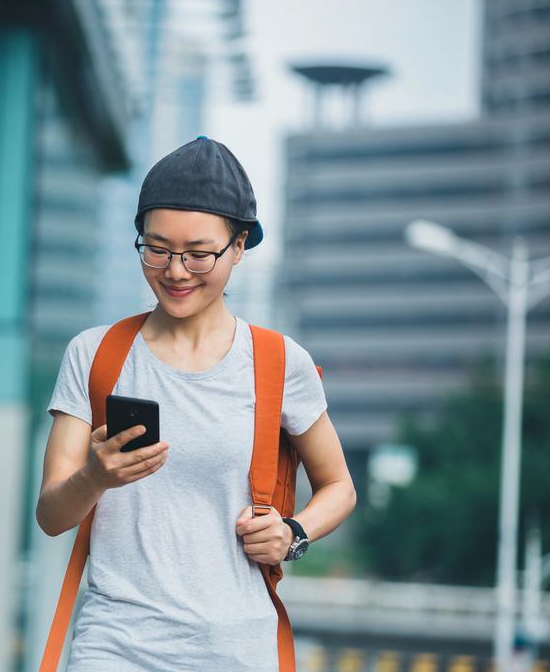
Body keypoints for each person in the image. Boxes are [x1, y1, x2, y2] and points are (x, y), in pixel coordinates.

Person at [36, 136, 357, 671]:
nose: (175, 271)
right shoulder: (96, 354)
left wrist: (293, 534)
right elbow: (51, 515)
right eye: (156, 248)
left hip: (237, 650)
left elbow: (340, 487)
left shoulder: (280, 363)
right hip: (115, 646)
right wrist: (95, 476)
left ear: (239, 246)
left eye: (198, 253)